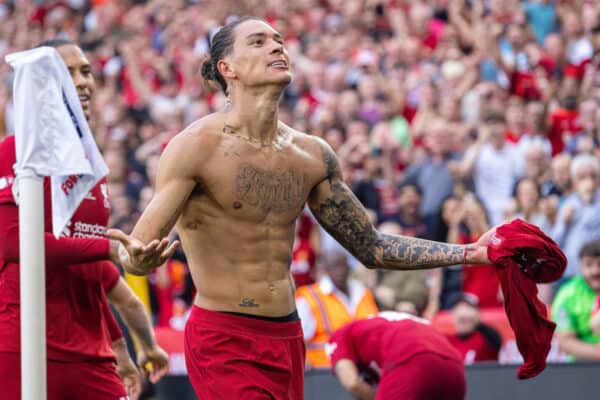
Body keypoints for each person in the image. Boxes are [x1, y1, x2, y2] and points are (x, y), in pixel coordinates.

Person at [110, 17, 493, 400]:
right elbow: (136, 250)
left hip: (287, 335)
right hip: (223, 335)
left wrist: (471, 252)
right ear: (227, 68)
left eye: (278, 40)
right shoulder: (194, 146)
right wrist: (139, 261)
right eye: (258, 42)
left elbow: (372, 247)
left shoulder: (311, 154)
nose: (277, 47)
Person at [0, 39, 172, 400]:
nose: (82, 81)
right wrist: (108, 248)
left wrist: (123, 349)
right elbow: (13, 243)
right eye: (68, 71)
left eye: (86, 71)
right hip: (23, 345)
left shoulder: (90, 167)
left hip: (92, 356)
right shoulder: (14, 151)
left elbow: (90, 270)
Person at [326, 311, 466, 400]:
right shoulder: (383, 322)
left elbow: (352, 383)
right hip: (454, 365)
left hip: (413, 359)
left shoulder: (342, 335)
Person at [296, 248, 378, 369]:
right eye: (335, 266)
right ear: (325, 270)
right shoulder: (309, 297)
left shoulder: (362, 292)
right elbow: (298, 341)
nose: (340, 271)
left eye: (343, 265)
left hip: (364, 367)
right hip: (324, 370)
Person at [552, 240, 600, 361]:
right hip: (583, 367)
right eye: (589, 265)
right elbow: (565, 342)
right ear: (580, 266)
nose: (595, 271)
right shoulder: (567, 295)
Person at [445, 294, 502, 364]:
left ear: (477, 314)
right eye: (457, 309)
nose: (462, 313)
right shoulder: (448, 340)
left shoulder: (485, 338)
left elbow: (495, 339)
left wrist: (476, 320)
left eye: (467, 308)